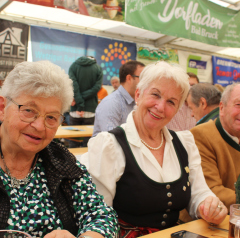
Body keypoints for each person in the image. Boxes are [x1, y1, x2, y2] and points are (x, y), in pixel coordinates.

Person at [80, 61, 227, 237]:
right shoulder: (109, 145)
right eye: (155, 95)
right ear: (138, 94)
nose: (160, 106)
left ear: (177, 110)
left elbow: (199, 193)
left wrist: (209, 205)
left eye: (171, 102)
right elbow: (98, 216)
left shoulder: (184, 143)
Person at [0, 61, 118, 238]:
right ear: (2, 108)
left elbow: (102, 215)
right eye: (29, 110)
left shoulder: (61, 161)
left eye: (51, 117)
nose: (40, 126)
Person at [190, 83, 240, 211]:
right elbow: (211, 191)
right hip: (203, 225)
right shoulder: (201, 135)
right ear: (222, 108)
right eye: (238, 105)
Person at [93, 61, 145, 136]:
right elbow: (113, 139)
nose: (146, 82)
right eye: (142, 78)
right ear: (129, 78)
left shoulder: (138, 101)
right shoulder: (110, 103)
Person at [68, 56, 103, 147]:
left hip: (75, 109)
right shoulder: (98, 68)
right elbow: (96, 88)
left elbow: (73, 85)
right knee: (87, 142)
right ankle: (85, 161)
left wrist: (79, 102)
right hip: (90, 110)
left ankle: (71, 161)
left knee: (73, 141)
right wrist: (82, 101)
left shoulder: (73, 66)